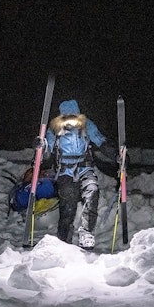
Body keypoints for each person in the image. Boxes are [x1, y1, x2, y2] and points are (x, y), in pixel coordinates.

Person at [44, 99, 117, 250]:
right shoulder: (55, 129)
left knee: (92, 191)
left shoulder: (86, 125)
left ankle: (86, 232)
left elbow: (101, 141)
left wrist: (116, 155)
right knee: (68, 202)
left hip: (85, 168)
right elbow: (47, 150)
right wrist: (41, 147)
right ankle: (64, 238)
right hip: (65, 171)